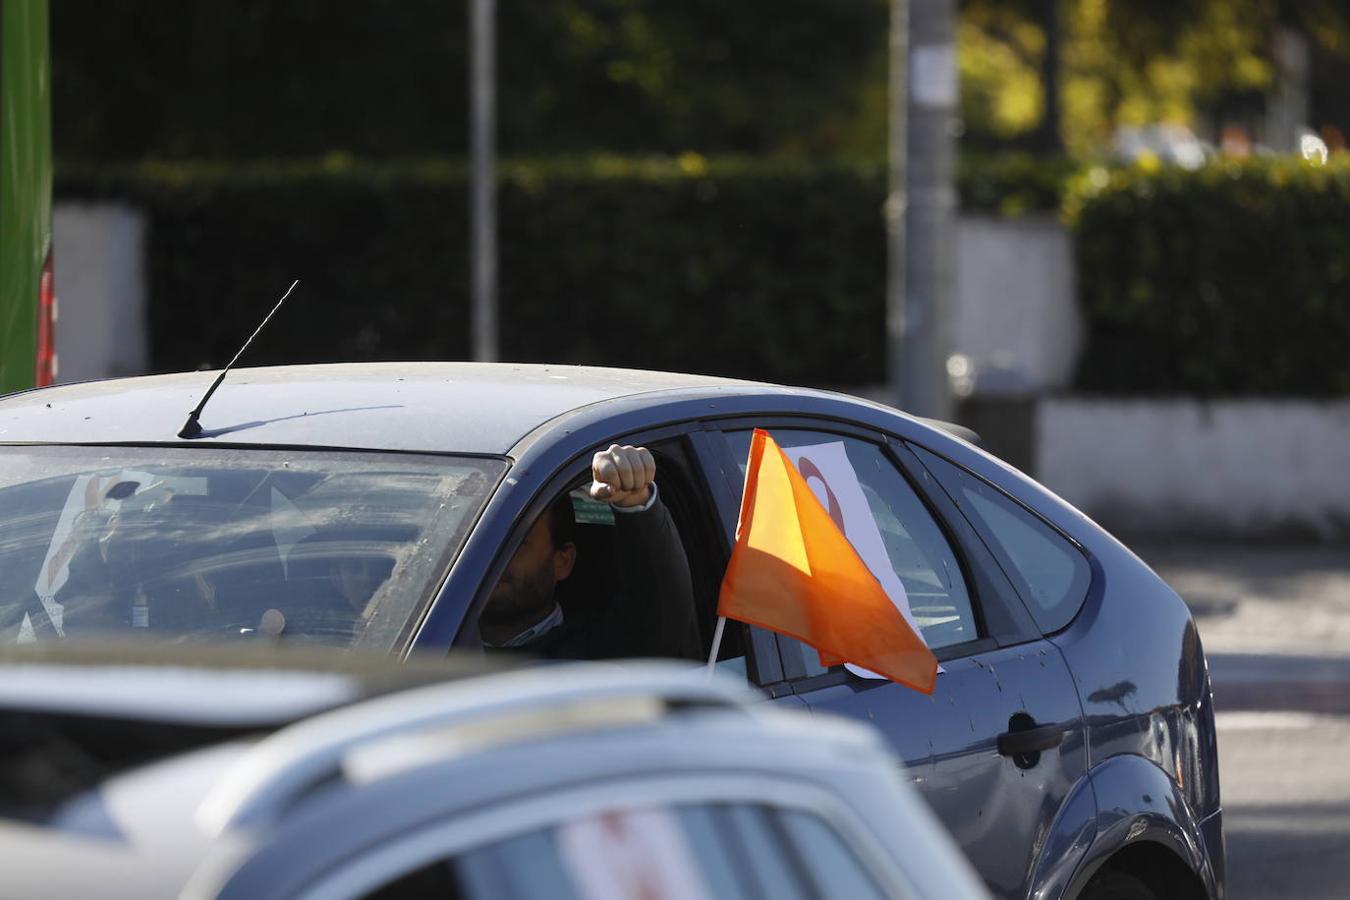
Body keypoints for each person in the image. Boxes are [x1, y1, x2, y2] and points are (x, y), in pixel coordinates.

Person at [478, 444, 701, 661]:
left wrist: (633, 500)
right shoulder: (444, 638)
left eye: (514, 545)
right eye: (478, 544)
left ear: (562, 561)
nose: (490, 559)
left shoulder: (605, 654)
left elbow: (659, 618)